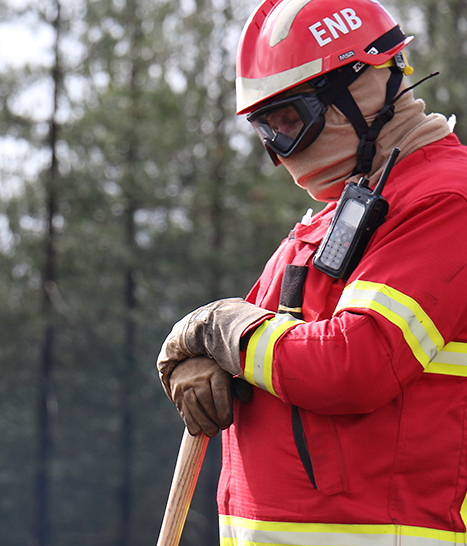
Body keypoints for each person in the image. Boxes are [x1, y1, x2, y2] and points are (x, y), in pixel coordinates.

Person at [156, 0, 467, 544]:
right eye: (267, 130)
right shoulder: (330, 221)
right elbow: (264, 347)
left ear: (362, 93)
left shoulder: (445, 201)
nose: (282, 154)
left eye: (291, 122)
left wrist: (221, 330)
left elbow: (355, 362)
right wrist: (203, 361)